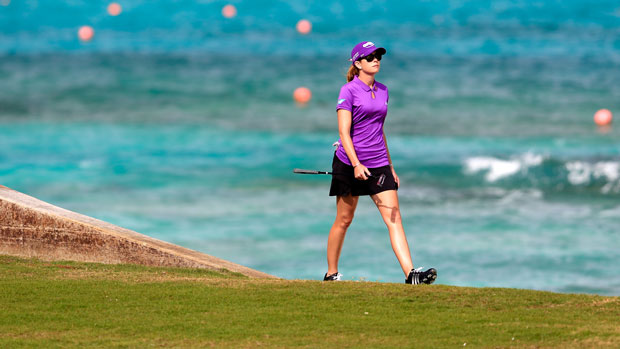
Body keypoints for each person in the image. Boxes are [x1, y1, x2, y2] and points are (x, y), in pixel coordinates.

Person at [324, 41, 437, 285]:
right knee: (344, 220)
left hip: (378, 162)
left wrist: (390, 165)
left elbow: (378, 130)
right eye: (370, 57)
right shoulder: (348, 91)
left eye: (378, 56)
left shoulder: (384, 90)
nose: (376, 60)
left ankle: (411, 275)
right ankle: (331, 274)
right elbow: (344, 132)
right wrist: (355, 164)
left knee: (394, 217)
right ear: (358, 63)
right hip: (349, 162)